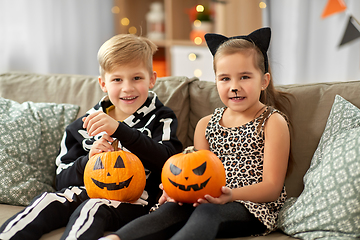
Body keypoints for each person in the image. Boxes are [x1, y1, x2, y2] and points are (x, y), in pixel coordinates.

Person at [100, 27, 292, 240]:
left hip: (252, 207)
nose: (234, 86)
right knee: (171, 209)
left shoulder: (272, 121)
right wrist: (176, 188)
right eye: (225, 78)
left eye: (245, 77)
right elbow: (196, 171)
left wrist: (229, 195)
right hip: (207, 199)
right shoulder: (205, 125)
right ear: (216, 81)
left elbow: (272, 188)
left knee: (206, 212)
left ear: (264, 81)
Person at [0, 34, 183, 240]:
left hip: (134, 201)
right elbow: (61, 180)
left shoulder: (161, 118)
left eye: (137, 78)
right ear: (103, 83)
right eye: (117, 79)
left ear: (152, 79)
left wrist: (119, 130)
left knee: (93, 206)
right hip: (83, 191)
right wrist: (88, 161)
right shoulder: (83, 125)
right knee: (47, 200)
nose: (127, 87)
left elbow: (169, 161)